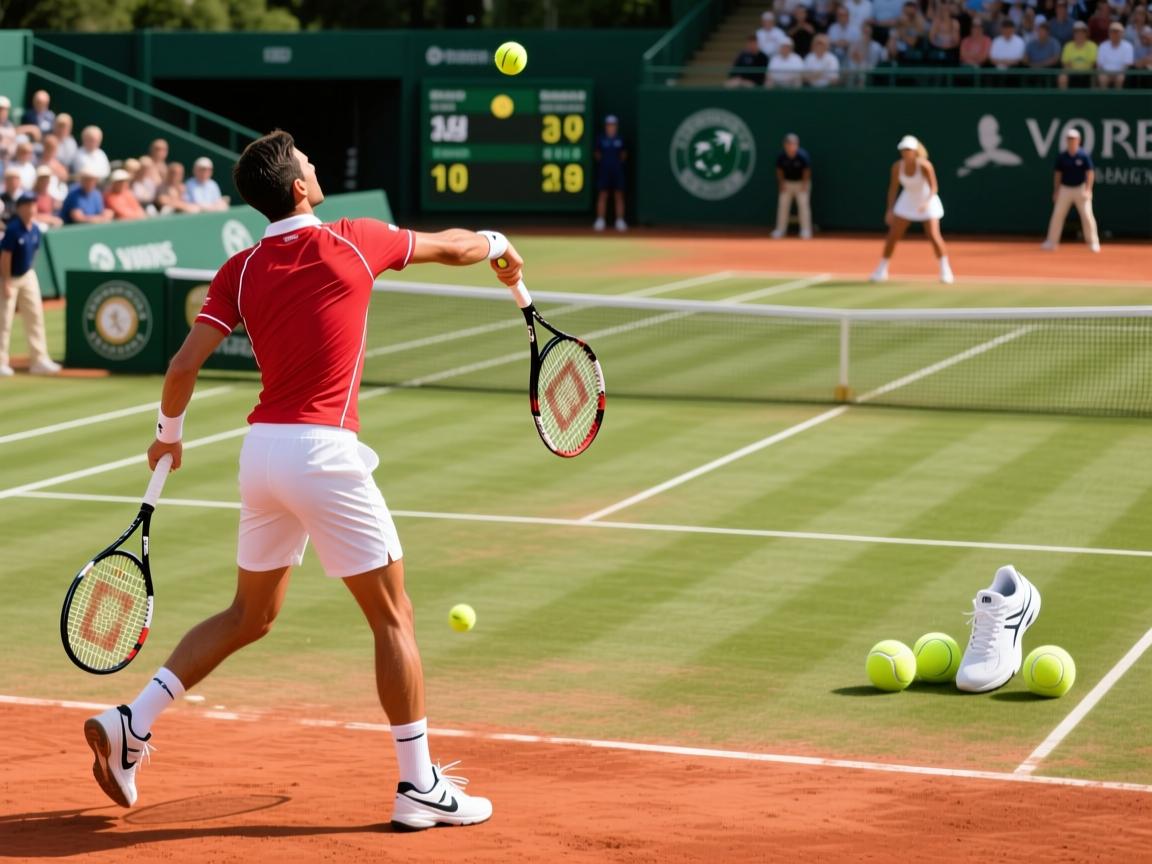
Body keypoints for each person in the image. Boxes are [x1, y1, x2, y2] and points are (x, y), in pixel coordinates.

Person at [81, 128, 501, 831]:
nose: (313, 161)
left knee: (252, 615)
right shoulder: (355, 238)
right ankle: (419, 785)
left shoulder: (240, 269)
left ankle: (132, 721)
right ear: (300, 187)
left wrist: (169, 439)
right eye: (307, 159)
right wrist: (498, 244)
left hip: (263, 455)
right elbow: (456, 247)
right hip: (324, 455)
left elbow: (182, 367)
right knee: (392, 617)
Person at [871, 135, 954, 284]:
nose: (905, 152)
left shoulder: (925, 166)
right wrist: (890, 209)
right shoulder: (897, 167)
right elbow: (893, 189)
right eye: (903, 149)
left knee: (934, 235)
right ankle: (881, 270)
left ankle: (945, 270)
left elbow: (934, 187)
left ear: (915, 151)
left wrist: (926, 202)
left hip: (927, 201)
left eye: (908, 149)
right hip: (907, 202)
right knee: (893, 236)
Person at [1, 194, 61, 377]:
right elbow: (5, 257)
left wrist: (29, 273)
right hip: (8, 277)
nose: (31, 209)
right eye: (27, 205)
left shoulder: (35, 229)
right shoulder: (13, 230)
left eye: (34, 205)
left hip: (27, 275)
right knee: (4, 321)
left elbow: (34, 253)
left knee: (35, 316)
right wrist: (6, 281)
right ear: (19, 209)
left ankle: (39, 360)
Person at [1041, 128, 1099, 252]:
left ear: (1078, 140)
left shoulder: (1084, 156)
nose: (1071, 141)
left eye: (1073, 139)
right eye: (1069, 139)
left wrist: (1088, 189)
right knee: (1057, 215)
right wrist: (1056, 190)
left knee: (1087, 216)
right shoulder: (1062, 156)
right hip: (1065, 189)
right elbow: (1058, 175)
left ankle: (1093, 243)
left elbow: (1090, 173)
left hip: (1081, 189)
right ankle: (1051, 242)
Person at [772, 134, 813, 239]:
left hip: (801, 183)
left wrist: (804, 185)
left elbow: (806, 171)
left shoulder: (802, 156)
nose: (791, 146)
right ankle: (780, 230)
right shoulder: (781, 156)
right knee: (783, 206)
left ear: (797, 144)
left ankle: (805, 230)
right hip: (787, 183)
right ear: (785, 145)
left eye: (794, 143)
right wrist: (781, 184)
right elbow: (779, 171)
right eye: (789, 143)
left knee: (803, 206)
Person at [593, 115, 628, 232]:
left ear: (616, 126)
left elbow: (623, 155)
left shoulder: (620, 139)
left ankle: (620, 221)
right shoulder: (601, 139)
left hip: (617, 172)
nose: (611, 127)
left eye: (613, 125)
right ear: (606, 126)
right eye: (609, 125)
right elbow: (597, 155)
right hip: (604, 172)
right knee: (603, 194)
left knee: (619, 195)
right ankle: (600, 220)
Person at [1058, 21, 1098, 87]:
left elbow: (1093, 63)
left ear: (1086, 33)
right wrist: (1074, 71)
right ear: (1073, 34)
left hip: (1088, 73)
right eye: (1077, 32)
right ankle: (1064, 97)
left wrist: (1083, 71)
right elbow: (1065, 63)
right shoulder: (1068, 46)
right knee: (1062, 76)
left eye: (1082, 32)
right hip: (1072, 73)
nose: (1079, 34)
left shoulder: (1092, 45)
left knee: (1094, 76)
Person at [1096, 21, 1135, 87]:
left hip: (1121, 73)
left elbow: (1127, 65)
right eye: (1113, 32)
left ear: (1122, 34)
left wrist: (1116, 74)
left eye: (1118, 32)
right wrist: (1108, 74)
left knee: (1120, 78)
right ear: (1109, 33)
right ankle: (1104, 97)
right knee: (1102, 78)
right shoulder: (1102, 46)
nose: (1115, 34)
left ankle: (1118, 97)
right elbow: (1100, 64)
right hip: (1105, 73)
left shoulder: (1128, 46)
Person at [0, 96, 16, 162]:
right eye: (1, 109)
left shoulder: (9, 125)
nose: (3, 112)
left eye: (5, 110)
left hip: (9, 160)